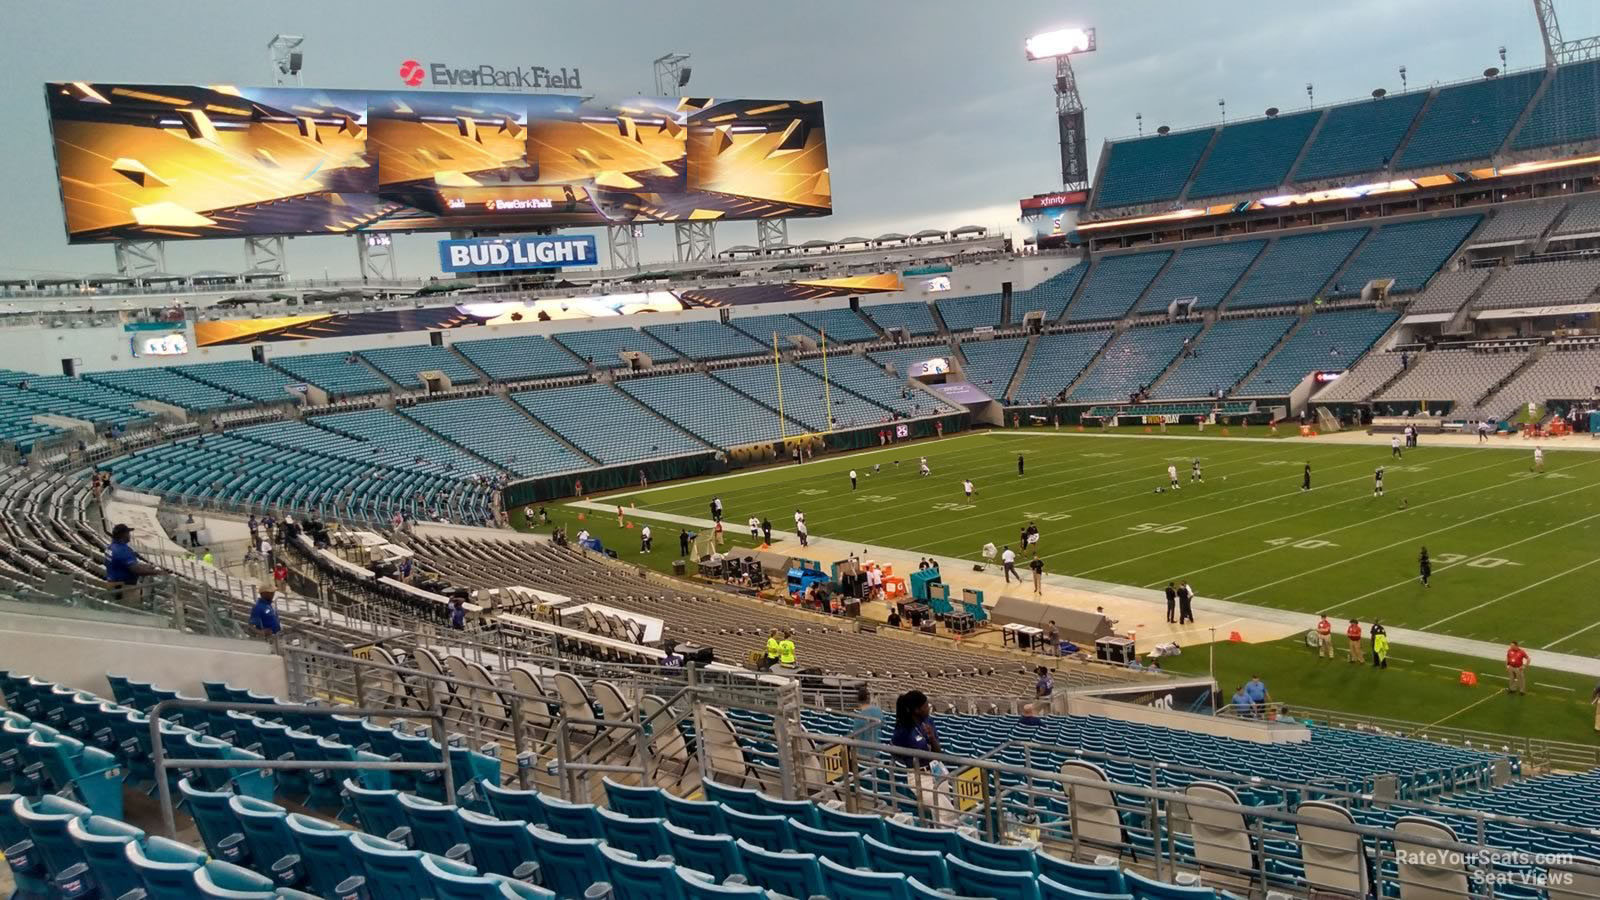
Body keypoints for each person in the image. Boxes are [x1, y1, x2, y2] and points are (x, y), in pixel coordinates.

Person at [105, 524, 160, 600]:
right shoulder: (122, 550)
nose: (129, 535)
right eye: (128, 533)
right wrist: (158, 572)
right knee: (128, 609)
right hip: (124, 589)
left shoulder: (111, 547)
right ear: (123, 534)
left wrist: (146, 566)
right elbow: (136, 570)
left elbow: (124, 564)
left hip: (113, 584)